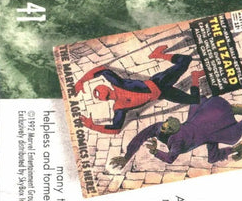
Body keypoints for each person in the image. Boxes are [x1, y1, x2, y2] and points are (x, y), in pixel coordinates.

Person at [74, 45, 205, 134]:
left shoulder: (118, 85)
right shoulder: (119, 106)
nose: (101, 94)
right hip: (163, 93)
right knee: (194, 100)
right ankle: (195, 76)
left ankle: (158, 55)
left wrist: (82, 81)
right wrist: (92, 126)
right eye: (100, 94)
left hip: (160, 81)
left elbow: (102, 70)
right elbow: (115, 129)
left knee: (185, 60)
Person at [110, 96, 242, 168]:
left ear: (173, 131)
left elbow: (170, 159)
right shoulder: (158, 127)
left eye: (166, 129)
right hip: (201, 123)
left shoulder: (177, 142)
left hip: (206, 131)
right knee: (216, 144)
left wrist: (156, 151)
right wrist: (126, 157)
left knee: (218, 140)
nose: (162, 129)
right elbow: (141, 136)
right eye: (164, 126)